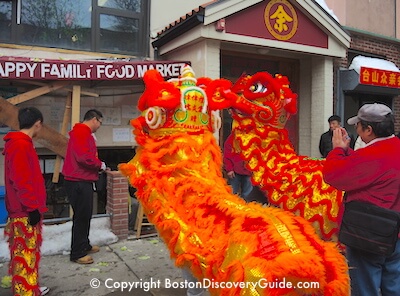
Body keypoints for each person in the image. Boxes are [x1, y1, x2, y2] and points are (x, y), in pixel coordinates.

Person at [322, 103, 400, 295]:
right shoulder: (391, 149)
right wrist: (348, 152)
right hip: (396, 235)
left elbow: (333, 174)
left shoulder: (370, 155)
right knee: (393, 285)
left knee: (365, 287)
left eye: (358, 125)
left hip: (369, 233)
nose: (355, 129)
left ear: (368, 130)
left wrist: (338, 150)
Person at [3, 107, 49, 295]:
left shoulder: (21, 143)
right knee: (25, 254)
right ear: (37, 123)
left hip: (23, 209)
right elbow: (22, 181)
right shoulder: (21, 145)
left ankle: (30, 287)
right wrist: (32, 208)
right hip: (24, 211)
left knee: (26, 253)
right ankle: (26, 292)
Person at [62, 109, 107, 264]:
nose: (99, 126)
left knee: (85, 215)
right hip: (78, 180)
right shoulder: (82, 132)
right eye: (100, 122)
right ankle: (77, 253)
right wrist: (99, 165)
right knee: (81, 217)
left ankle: (84, 244)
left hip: (81, 179)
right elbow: (84, 157)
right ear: (94, 119)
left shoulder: (82, 133)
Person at [223, 132, 253, 199]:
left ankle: (245, 208)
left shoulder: (255, 136)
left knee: (246, 195)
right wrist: (229, 169)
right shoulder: (233, 137)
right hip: (234, 171)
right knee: (231, 194)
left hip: (250, 172)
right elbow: (226, 155)